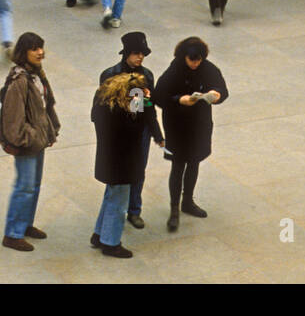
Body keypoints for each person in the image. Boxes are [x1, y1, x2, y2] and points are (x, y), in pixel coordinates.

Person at [154, 37, 228, 232]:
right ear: (184, 57)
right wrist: (180, 100)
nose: (195, 63)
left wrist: (217, 95)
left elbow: (222, 88)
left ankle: (188, 201)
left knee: (194, 162)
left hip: (199, 124)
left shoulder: (208, 68)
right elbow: (159, 96)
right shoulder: (174, 70)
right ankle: (174, 209)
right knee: (178, 165)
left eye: (198, 60)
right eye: (192, 60)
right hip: (178, 125)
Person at [0, 33, 59, 250]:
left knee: (33, 185)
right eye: (34, 49)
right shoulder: (20, 81)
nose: (40, 52)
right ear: (24, 53)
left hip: (38, 140)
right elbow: (13, 118)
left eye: (41, 47)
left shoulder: (37, 74)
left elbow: (46, 105)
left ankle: (25, 225)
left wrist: (50, 131)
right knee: (24, 187)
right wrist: (28, 138)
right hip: (27, 143)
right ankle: (12, 233)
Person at [98, 32, 166, 228]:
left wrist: (157, 134)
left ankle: (134, 210)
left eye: (143, 54)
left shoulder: (146, 76)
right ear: (126, 53)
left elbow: (148, 108)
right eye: (136, 53)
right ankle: (112, 210)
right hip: (118, 133)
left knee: (137, 171)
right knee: (116, 175)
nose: (140, 57)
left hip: (139, 132)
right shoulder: (110, 75)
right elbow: (103, 109)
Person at [89, 71, 150, 258]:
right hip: (123, 164)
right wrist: (143, 100)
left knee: (110, 197)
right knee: (119, 203)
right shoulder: (124, 112)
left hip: (108, 161)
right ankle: (111, 242)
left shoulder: (103, 103)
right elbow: (138, 128)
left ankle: (99, 234)